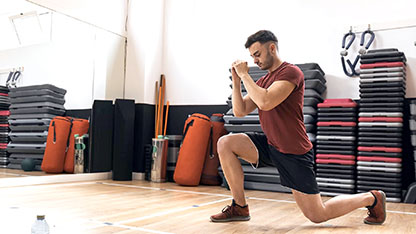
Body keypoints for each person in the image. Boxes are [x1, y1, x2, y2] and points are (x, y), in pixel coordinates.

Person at [210, 30, 386, 225]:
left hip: (294, 151)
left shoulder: (291, 72)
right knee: (226, 142)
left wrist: (244, 75)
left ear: (272, 48)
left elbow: (266, 101)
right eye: (252, 57)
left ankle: (372, 197)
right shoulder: (263, 81)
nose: (255, 61)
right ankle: (240, 207)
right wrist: (236, 82)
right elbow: (240, 111)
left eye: (257, 54)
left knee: (318, 214)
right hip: (271, 145)